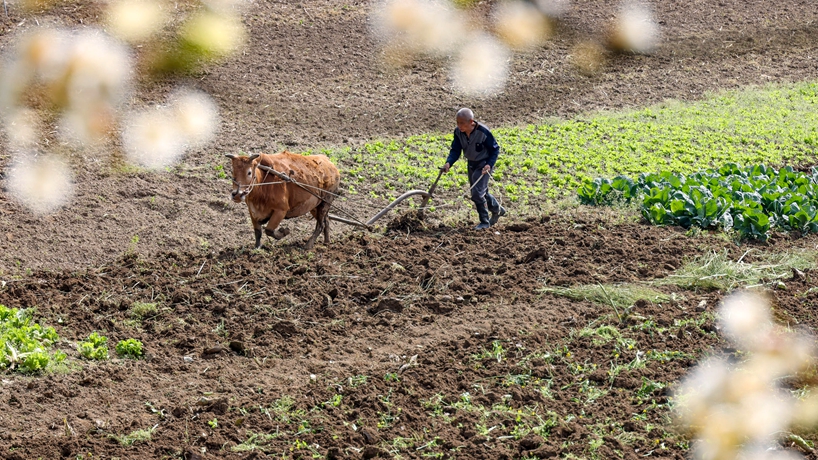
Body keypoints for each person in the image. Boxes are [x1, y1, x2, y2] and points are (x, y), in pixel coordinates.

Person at [442, 108, 506, 229]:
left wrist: (489, 165)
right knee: (481, 192)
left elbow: (495, 149)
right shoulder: (458, 132)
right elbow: (456, 150)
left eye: (462, 123)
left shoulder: (483, 132)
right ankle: (497, 209)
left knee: (477, 194)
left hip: (483, 165)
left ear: (471, 121)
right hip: (471, 164)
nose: (459, 126)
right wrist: (448, 163)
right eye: (457, 122)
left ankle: (484, 222)